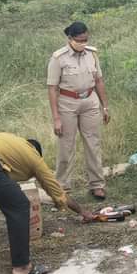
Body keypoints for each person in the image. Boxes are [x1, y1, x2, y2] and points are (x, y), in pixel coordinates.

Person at [0, 132, 92, 274]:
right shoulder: (33, 157)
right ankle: (22, 268)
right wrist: (82, 211)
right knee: (19, 205)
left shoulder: (12, 142)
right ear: (37, 153)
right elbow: (58, 192)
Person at [47, 22, 111, 200]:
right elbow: (52, 88)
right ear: (70, 39)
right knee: (66, 146)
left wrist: (104, 106)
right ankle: (62, 187)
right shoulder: (58, 58)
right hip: (67, 102)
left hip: (90, 101)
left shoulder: (92, 54)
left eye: (85, 40)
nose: (83, 43)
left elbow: (99, 81)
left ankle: (97, 184)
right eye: (79, 40)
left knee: (93, 143)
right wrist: (56, 118)